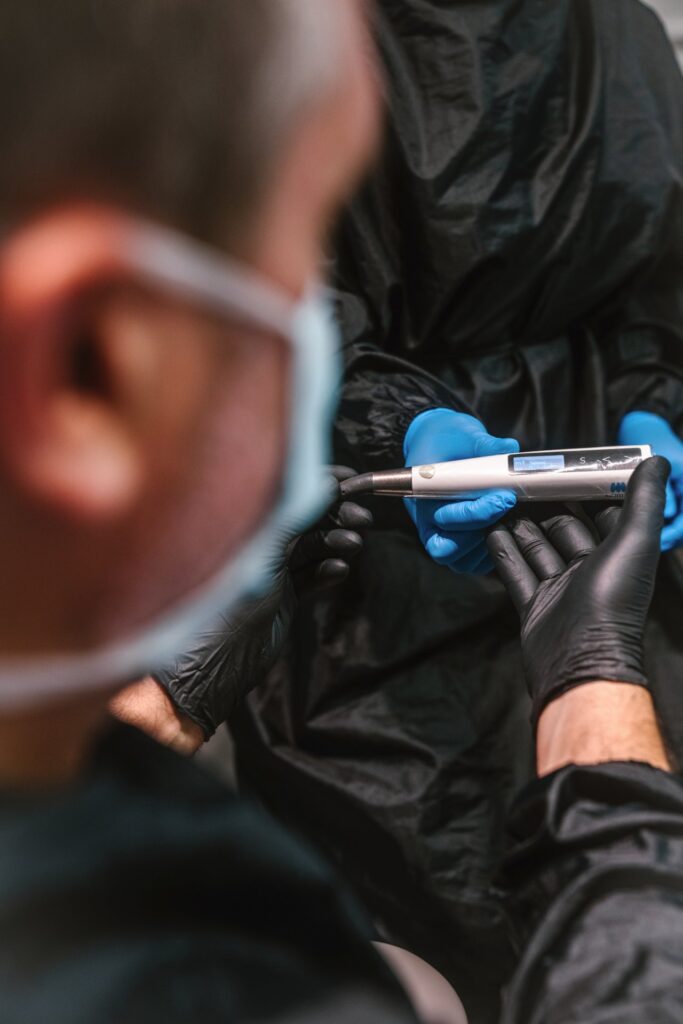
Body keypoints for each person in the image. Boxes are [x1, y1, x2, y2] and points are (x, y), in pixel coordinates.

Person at [222, 3, 683, 1018]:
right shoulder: (265, 46)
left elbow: (655, 266)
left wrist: (651, 399)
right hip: (361, 551)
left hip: (594, 522)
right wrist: (398, 423)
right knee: (429, 885)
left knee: (617, 825)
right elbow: (251, 294)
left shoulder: (616, 35)